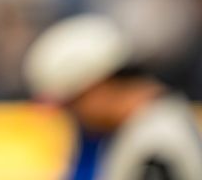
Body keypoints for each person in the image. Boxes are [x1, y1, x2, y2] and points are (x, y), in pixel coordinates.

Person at [22, 13, 202, 180]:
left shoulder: (155, 142)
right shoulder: (141, 128)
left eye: (74, 104)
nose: (74, 116)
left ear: (99, 85)